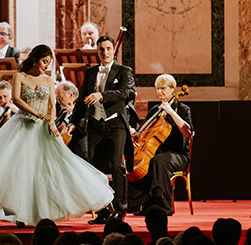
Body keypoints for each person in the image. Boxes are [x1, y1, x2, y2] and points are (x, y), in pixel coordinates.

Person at [0, 44, 113, 226]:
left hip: (43, 128)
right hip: (22, 125)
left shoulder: (49, 80)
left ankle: (42, 212)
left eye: (49, 63)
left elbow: (51, 104)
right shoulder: (19, 76)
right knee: (19, 170)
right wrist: (36, 114)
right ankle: (19, 212)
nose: (46, 66)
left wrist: (51, 121)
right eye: (44, 62)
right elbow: (17, 100)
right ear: (35, 59)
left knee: (48, 169)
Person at [69, 35, 135, 224]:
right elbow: (82, 101)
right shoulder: (90, 73)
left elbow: (125, 93)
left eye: (108, 49)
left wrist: (101, 95)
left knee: (116, 165)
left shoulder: (124, 71)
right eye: (101, 50)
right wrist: (74, 121)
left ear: (114, 51)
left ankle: (120, 210)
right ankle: (103, 210)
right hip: (95, 124)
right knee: (96, 169)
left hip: (115, 124)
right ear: (97, 52)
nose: (105, 53)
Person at [128, 74, 192, 215]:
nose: (159, 92)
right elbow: (143, 130)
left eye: (163, 88)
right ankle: (144, 204)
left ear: (172, 89)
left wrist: (170, 112)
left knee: (159, 160)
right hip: (157, 152)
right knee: (144, 161)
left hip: (178, 154)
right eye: (157, 89)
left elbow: (188, 133)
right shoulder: (155, 110)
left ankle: (164, 206)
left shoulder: (182, 109)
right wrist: (135, 132)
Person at [55, 80, 87, 159]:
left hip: (79, 151)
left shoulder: (84, 106)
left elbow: (86, 126)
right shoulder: (62, 110)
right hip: (63, 151)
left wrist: (72, 113)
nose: (58, 101)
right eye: (57, 99)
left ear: (71, 95)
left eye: (60, 98)